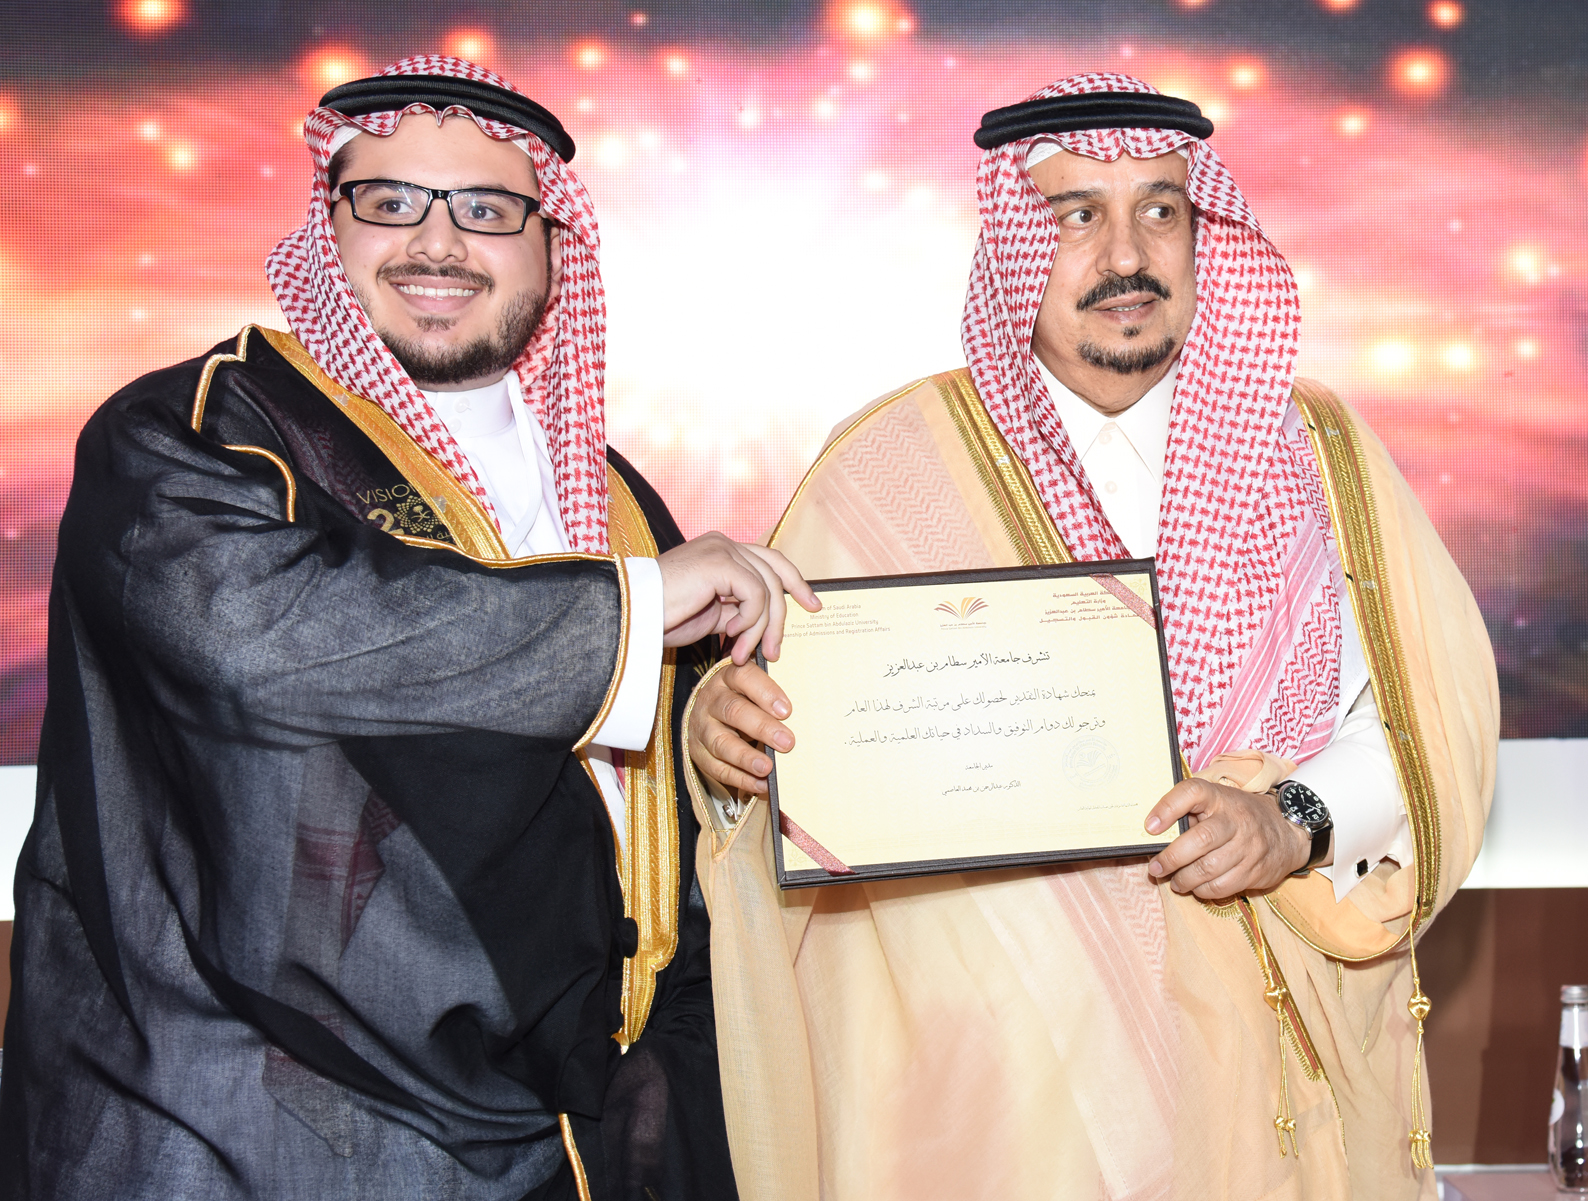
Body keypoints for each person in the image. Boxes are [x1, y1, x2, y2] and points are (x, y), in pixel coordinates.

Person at [0, 55, 813, 1200]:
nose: (437, 243)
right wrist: (630, 614)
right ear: (326, 226)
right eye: (388, 201)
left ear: (551, 245)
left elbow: (623, 803)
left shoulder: (614, 499)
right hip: (262, 1135)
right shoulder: (196, 434)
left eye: (486, 209)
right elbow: (262, 644)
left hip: (561, 1131)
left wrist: (703, 734)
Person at [685, 73, 1497, 1200]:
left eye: (1161, 209)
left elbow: (1421, 726)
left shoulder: (1317, 457)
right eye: (1076, 215)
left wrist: (1288, 819)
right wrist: (723, 739)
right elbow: (781, 749)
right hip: (994, 1108)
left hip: (1264, 1085)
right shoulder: (886, 470)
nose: (1127, 254)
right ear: (1013, 244)